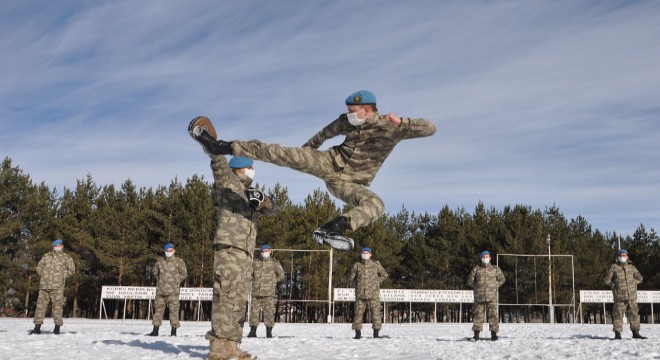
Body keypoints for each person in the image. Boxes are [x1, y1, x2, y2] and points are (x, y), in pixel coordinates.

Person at [188, 90, 436, 250]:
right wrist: (306, 152)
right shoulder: (344, 121)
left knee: (376, 205)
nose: (349, 117)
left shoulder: (391, 127)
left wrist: (402, 122)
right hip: (329, 162)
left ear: (367, 110)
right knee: (279, 152)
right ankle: (221, 146)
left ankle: (334, 228)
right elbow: (324, 134)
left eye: (354, 113)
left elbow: (430, 128)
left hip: (349, 183)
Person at [190, 118, 276, 360]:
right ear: (241, 169)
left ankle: (232, 344)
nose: (252, 171)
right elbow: (218, 162)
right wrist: (210, 142)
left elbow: (272, 209)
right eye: (250, 167)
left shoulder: (250, 194)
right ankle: (218, 345)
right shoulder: (227, 183)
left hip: (245, 253)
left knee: (238, 300)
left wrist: (264, 202)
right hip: (229, 250)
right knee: (225, 297)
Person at [30, 239, 75, 335]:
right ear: (53, 246)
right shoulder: (46, 257)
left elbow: (71, 270)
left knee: (57, 307)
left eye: (60, 245)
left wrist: (62, 276)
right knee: (40, 307)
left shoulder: (66, 258)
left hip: (57, 287)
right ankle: (37, 327)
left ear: (62, 246)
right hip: (44, 286)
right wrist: (44, 275)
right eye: (56, 245)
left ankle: (57, 327)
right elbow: (39, 268)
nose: (58, 247)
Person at [603, 249, 646, 340]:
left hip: (632, 297)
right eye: (621, 255)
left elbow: (640, 278)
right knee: (618, 315)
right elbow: (606, 280)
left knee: (634, 314)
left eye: (624, 255)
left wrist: (633, 282)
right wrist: (614, 285)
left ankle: (636, 333)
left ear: (627, 257)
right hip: (619, 297)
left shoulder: (631, 267)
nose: (622, 257)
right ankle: (617, 334)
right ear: (617, 257)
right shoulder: (613, 267)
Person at [147, 243, 187, 337]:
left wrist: (176, 281)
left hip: (173, 292)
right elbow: (155, 272)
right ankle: (155, 331)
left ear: (174, 251)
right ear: (164, 251)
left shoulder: (179, 262)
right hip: (160, 291)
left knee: (174, 311)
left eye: (170, 251)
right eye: (167, 251)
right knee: (158, 310)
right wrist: (160, 281)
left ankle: (173, 332)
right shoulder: (159, 262)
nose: (169, 252)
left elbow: (184, 274)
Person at [347, 247, 388, 339]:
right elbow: (350, 279)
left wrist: (377, 282)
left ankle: (376, 334)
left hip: (373, 294)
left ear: (370, 254)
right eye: (363, 252)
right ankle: (358, 335)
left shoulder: (376, 264)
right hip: (360, 295)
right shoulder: (357, 265)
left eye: (367, 253)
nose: (365, 254)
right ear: (361, 254)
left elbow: (384, 275)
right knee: (358, 314)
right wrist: (357, 285)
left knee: (376, 314)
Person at [247, 244, 285, 339]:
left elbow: (281, 275)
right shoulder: (255, 263)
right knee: (254, 313)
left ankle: (269, 332)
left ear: (270, 251)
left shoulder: (274, 263)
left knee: (269, 313)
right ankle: (252, 332)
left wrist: (274, 282)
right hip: (256, 293)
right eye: (263, 251)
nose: (265, 253)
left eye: (266, 251)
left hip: (269, 293)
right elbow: (249, 275)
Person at [467, 250, 505, 341]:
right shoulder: (476, 269)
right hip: (479, 298)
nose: (485, 258)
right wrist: (476, 287)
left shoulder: (495, 269)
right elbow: (470, 281)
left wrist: (495, 285)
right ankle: (476, 335)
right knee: (478, 317)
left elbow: (502, 279)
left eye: (487, 257)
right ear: (481, 258)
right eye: (483, 257)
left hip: (492, 298)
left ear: (490, 258)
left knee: (493, 317)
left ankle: (494, 334)